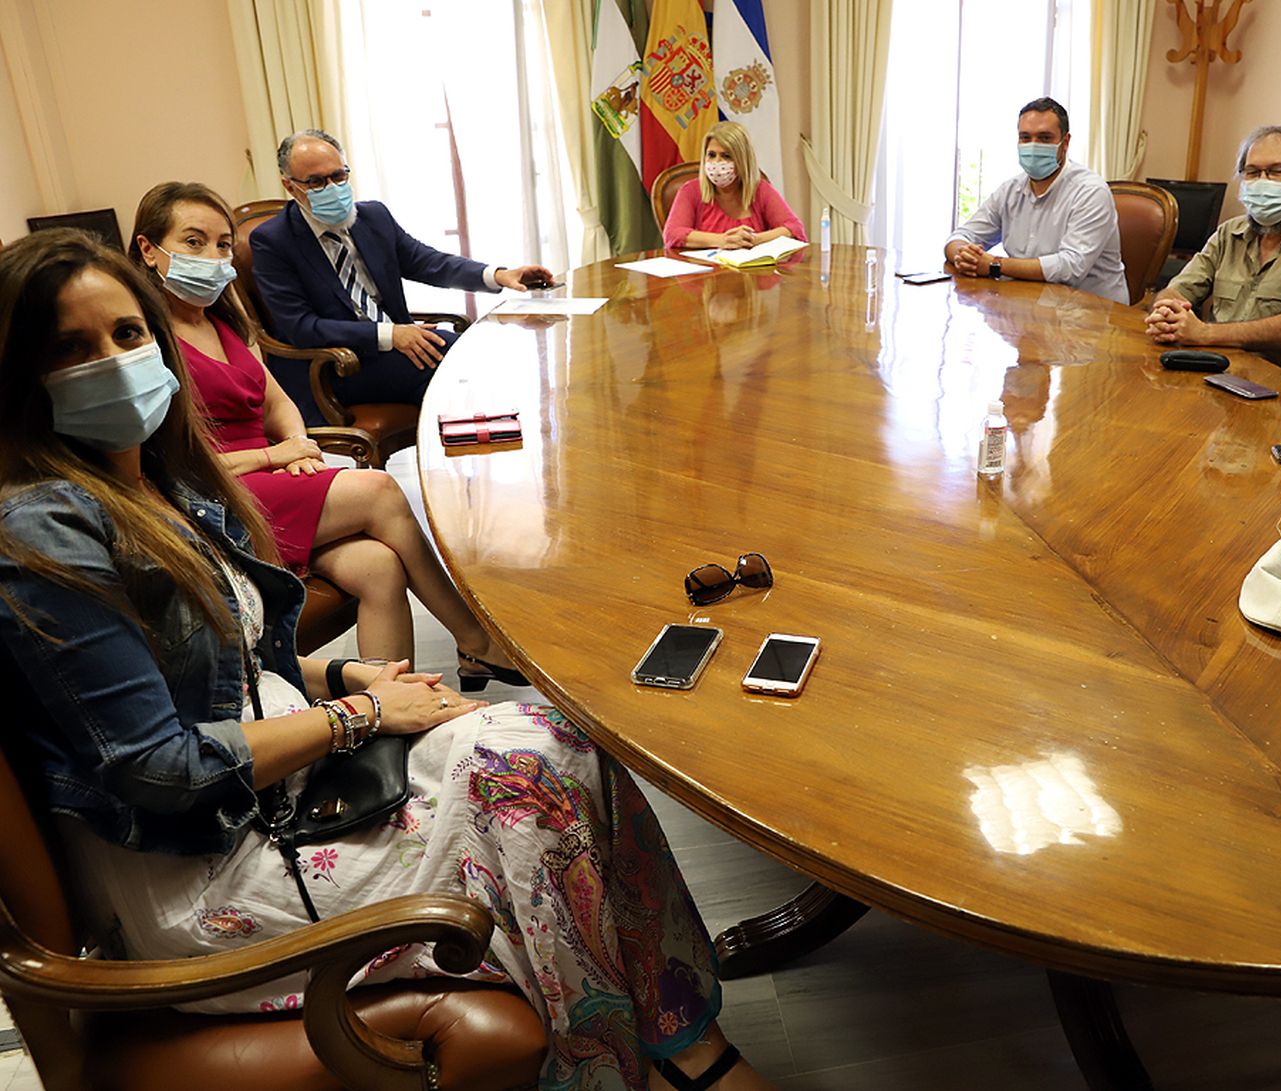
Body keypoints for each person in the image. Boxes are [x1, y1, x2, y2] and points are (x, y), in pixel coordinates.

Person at [0, 229, 774, 1091]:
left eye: (127, 335)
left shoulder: (160, 484)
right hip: (205, 869)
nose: (112, 361)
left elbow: (226, 673)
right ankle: (621, 1067)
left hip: (274, 796)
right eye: (71, 348)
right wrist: (357, 718)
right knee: (532, 786)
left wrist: (347, 677)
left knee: (569, 741)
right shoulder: (44, 526)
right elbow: (157, 766)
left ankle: (672, 1041)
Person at [129, 181, 526, 687]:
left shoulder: (222, 320)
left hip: (269, 480)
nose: (212, 256)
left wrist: (300, 447)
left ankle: (380, 720)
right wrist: (275, 456)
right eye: (193, 242)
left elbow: (277, 401)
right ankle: (475, 641)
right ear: (147, 248)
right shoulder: (144, 339)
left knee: (379, 566)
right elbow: (168, 468)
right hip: (218, 497)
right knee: (379, 489)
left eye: (223, 244)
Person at [250, 128, 555, 412]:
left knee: (468, 358)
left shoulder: (373, 217)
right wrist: (391, 335)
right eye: (316, 182)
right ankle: (467, 454)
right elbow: (301, 326)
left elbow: (428, 262)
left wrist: (499, 275)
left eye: (339, 176)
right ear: (289, 186)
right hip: (335, 366)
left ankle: (479, 448)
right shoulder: (272, 241)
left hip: (394, 349)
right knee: (450, 372)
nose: (332, 188)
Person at [1146, 126, 1281, 382]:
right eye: (1253, 172)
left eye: (1277, 171)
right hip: (1217, 371)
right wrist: (1166, 312)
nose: (1262, 181)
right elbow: (1179, 289)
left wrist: (1204, 333)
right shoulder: (1229, 232)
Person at [943, 97, 1128, 304]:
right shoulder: (1010, 189)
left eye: (1044, 138)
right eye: (1025, 138)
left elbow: (1070, 267)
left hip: (1093, 314)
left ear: (1064, 143)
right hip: (1029, 305)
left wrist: (995, 265)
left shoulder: (1091, 192)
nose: (1033, 146)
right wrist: (964, 255)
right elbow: (961, 235)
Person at [662, 121, 807, 251]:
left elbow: (794, 228)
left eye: (726, 156)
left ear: (742, 161)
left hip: (752, 275)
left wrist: (754, 239)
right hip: (705, 276)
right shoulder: (691, 191)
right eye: (711, 155)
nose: (716, 163)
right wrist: (722, 240)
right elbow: (672, 234)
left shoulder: (760, 189)